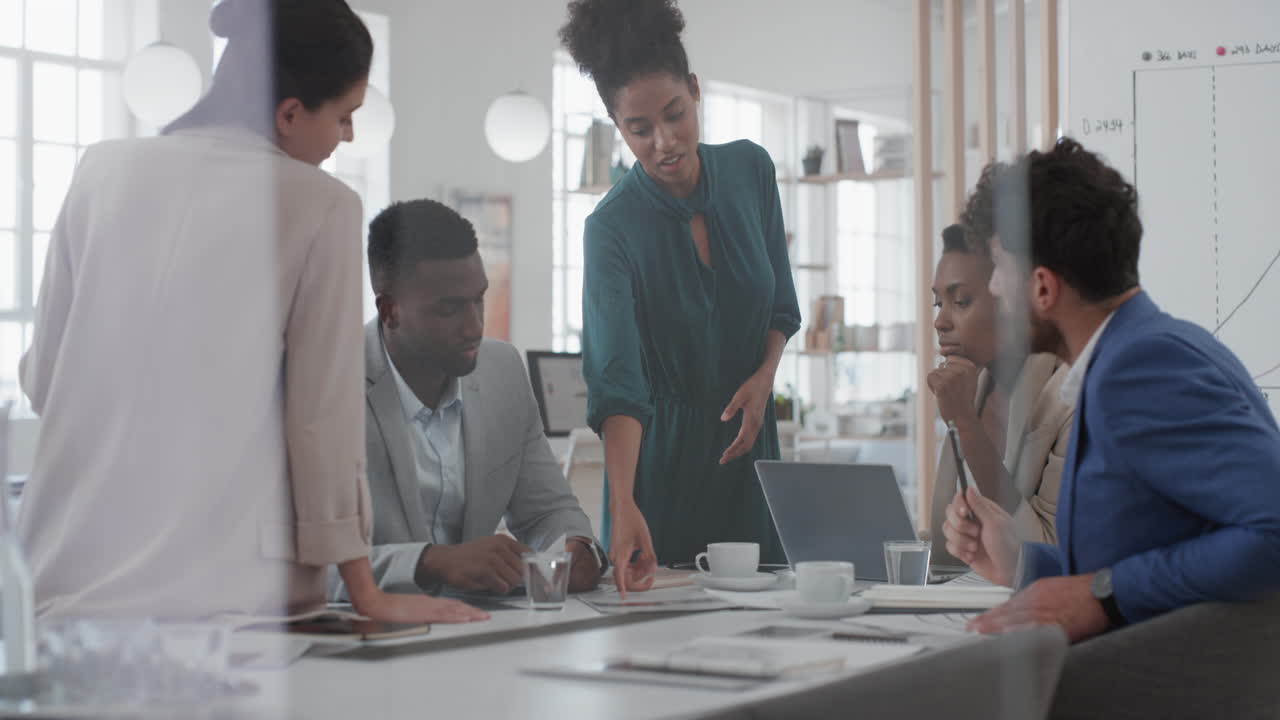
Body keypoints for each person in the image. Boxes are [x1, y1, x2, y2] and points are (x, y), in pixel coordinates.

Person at [17, 0, 485, 623]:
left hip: (59, 577)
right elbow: (322, 421)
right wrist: (366, 592)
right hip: (221, 592)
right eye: (344, 117)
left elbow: (44, 380)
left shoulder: (100, 169)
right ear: (288, 114)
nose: (347, 137)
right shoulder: (320, 202)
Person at [942, 138, 1280, 643]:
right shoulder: (1142, 351)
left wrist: (1104, 593)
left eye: (998, 271)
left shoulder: (1140, 367)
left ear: (1042, 287)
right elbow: (1134, 557)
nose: (992, 290)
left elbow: (1273, 531)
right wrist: (1022, 563)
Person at [559, 0, 801, 592]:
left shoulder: (751, 171)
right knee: (662, 634)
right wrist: (622, 504)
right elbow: (617, 382)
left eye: (675, 115)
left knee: (768, 627)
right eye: (639, 129)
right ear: (617, 125)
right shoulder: (611, 228)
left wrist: (764, 377)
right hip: (661, 470)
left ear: (695, 90)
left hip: (751, 453)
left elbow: (780, 305)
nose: (664, 142)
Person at [330, 199, 605, 600]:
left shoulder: (502, 373)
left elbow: (548, 512)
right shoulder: (327, 385)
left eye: (479, 299)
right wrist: (431, 562)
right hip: (374, 630)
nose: (475, 326)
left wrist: (574, 547)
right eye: (449, 309)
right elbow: (299, 567)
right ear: (390, 311)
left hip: (486, 629)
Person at [926, 224, 1073, 568]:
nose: (940, 322)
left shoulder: (1068, 393)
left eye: (960, 301)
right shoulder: (971, 386)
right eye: (938, 303)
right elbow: (948, 546)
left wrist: (965, 424)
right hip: (959, 594)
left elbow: (1047, 551)